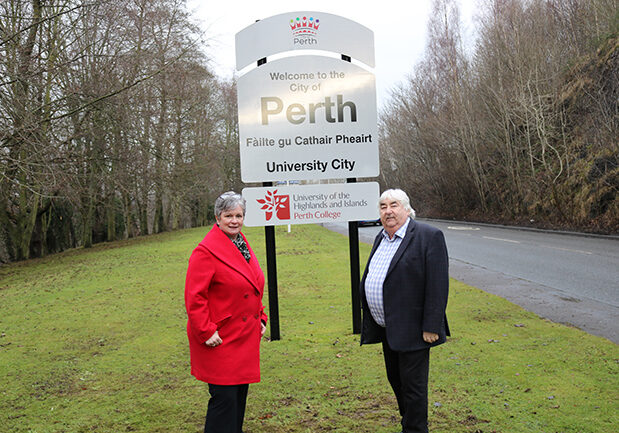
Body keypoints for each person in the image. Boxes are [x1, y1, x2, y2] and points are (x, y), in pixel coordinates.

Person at [360, 189, 450, 433]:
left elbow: (438, 283)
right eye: (382, 206)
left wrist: (432, 325)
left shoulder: (428, 236)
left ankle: (415, 428)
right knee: (396, 381)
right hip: (388, 329)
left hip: (415, 329)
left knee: (413, 387)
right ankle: (408, 421)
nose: (388, 211)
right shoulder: (381, 238)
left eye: (394, 205)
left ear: (407, 209)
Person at [184, 191, 268, 433]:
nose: (234, 220)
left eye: (239, 215)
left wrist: (260, 317)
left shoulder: (240, 242)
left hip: (242, 334)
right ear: (217, 218)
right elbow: (194, 297)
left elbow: (252, 285)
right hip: (220, 339)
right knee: (224, 400)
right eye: (228, 215)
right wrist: (206, 330)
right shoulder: (206, 250)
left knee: (238, 399)